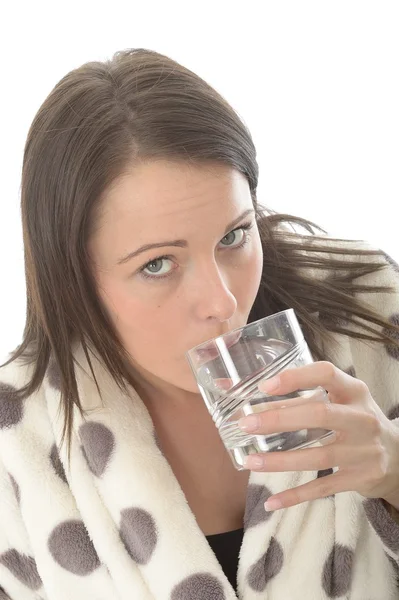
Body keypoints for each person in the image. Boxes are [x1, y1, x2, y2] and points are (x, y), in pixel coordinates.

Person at [0, 48, 398, 600]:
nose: (222, 300)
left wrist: (395, 473)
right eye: (157, 264)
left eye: (234, 236)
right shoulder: (15, 442)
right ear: (74, 276)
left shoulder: (370, 319)